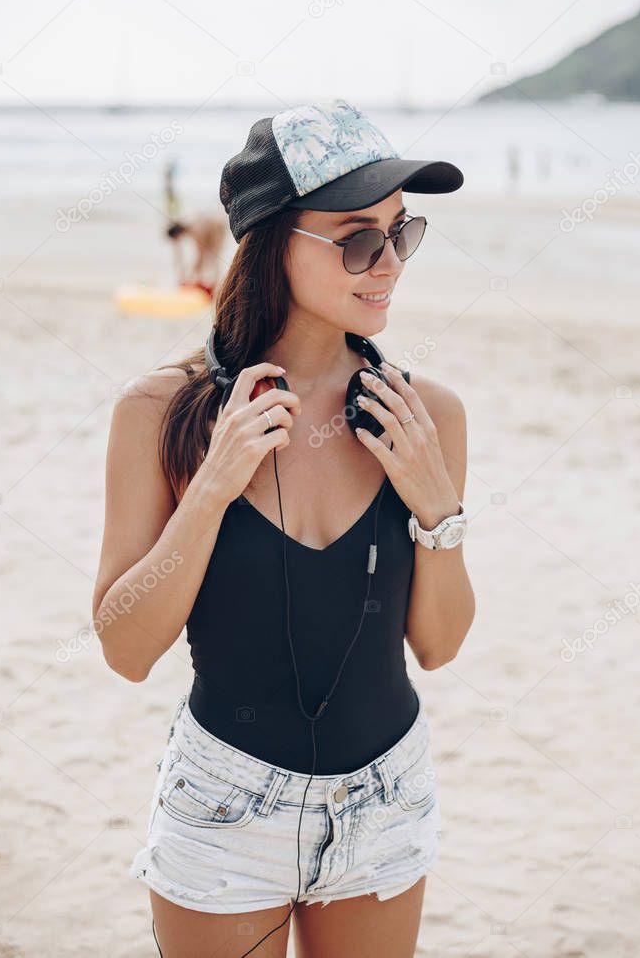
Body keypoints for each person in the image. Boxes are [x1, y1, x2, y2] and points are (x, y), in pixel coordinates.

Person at [93, 97, 475, 958]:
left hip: (385, 803)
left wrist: (435, 508)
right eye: (357, 239)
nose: (388, 265)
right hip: (223, 807)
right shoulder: (160, 413)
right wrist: (211, 488)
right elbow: (124, 647)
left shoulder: (427, 416)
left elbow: (441, 645)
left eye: (399, 233)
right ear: (272, 241)